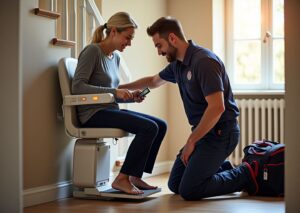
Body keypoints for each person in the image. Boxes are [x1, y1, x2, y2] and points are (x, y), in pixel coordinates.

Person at [119, 17, 260, 200]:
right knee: (175, 184)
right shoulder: (177, 65)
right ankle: (222, 169)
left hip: (221, 133)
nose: (159, 52)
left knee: (189, 190)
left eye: (159, 45)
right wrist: (121, 89)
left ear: (172, 38)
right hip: (203, 133)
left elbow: (217, 108)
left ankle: (245, 175)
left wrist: (191, 141)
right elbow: (153, 81)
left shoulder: (204, 62)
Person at [72, 12, 167, 195]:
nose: (129, 43)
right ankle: (122, 179)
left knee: (160, 125)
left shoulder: (114, 57)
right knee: (149, 128)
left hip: (109, 110)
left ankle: (135, 177)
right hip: (92, 114)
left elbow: (109, 90)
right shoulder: (93, 51)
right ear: (114, 31)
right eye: (128, 38)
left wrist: (129, 95)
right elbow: (77, 87)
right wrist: (115, 92)